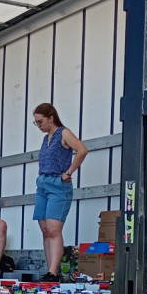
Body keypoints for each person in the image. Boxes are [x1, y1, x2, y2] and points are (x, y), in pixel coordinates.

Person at [32, 103, 88, 281]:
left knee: (54, 229)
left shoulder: (63, 133)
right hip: (43, 183)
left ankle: (53, 271)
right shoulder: (46, 137)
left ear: (51, 118)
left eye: (40, 122)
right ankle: (50, 270)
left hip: (58, 184)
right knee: (44, 228)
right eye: (36, 123)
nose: (39, 126)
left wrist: (69, 172)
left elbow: (82, 150)